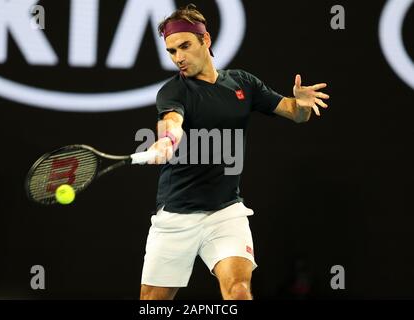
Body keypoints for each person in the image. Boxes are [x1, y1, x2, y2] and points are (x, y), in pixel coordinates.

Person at [140, 4, 329, 300]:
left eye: (184, 46)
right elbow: (171, 122)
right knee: (153, 303)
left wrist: (302, 106)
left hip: (225, 212)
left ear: (206, 40)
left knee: (239, 290)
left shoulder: (243, 83)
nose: (178, 57)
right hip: (176, 215)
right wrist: (167, 140)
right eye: (171, 51)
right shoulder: (173, 91)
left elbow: (293, 113)